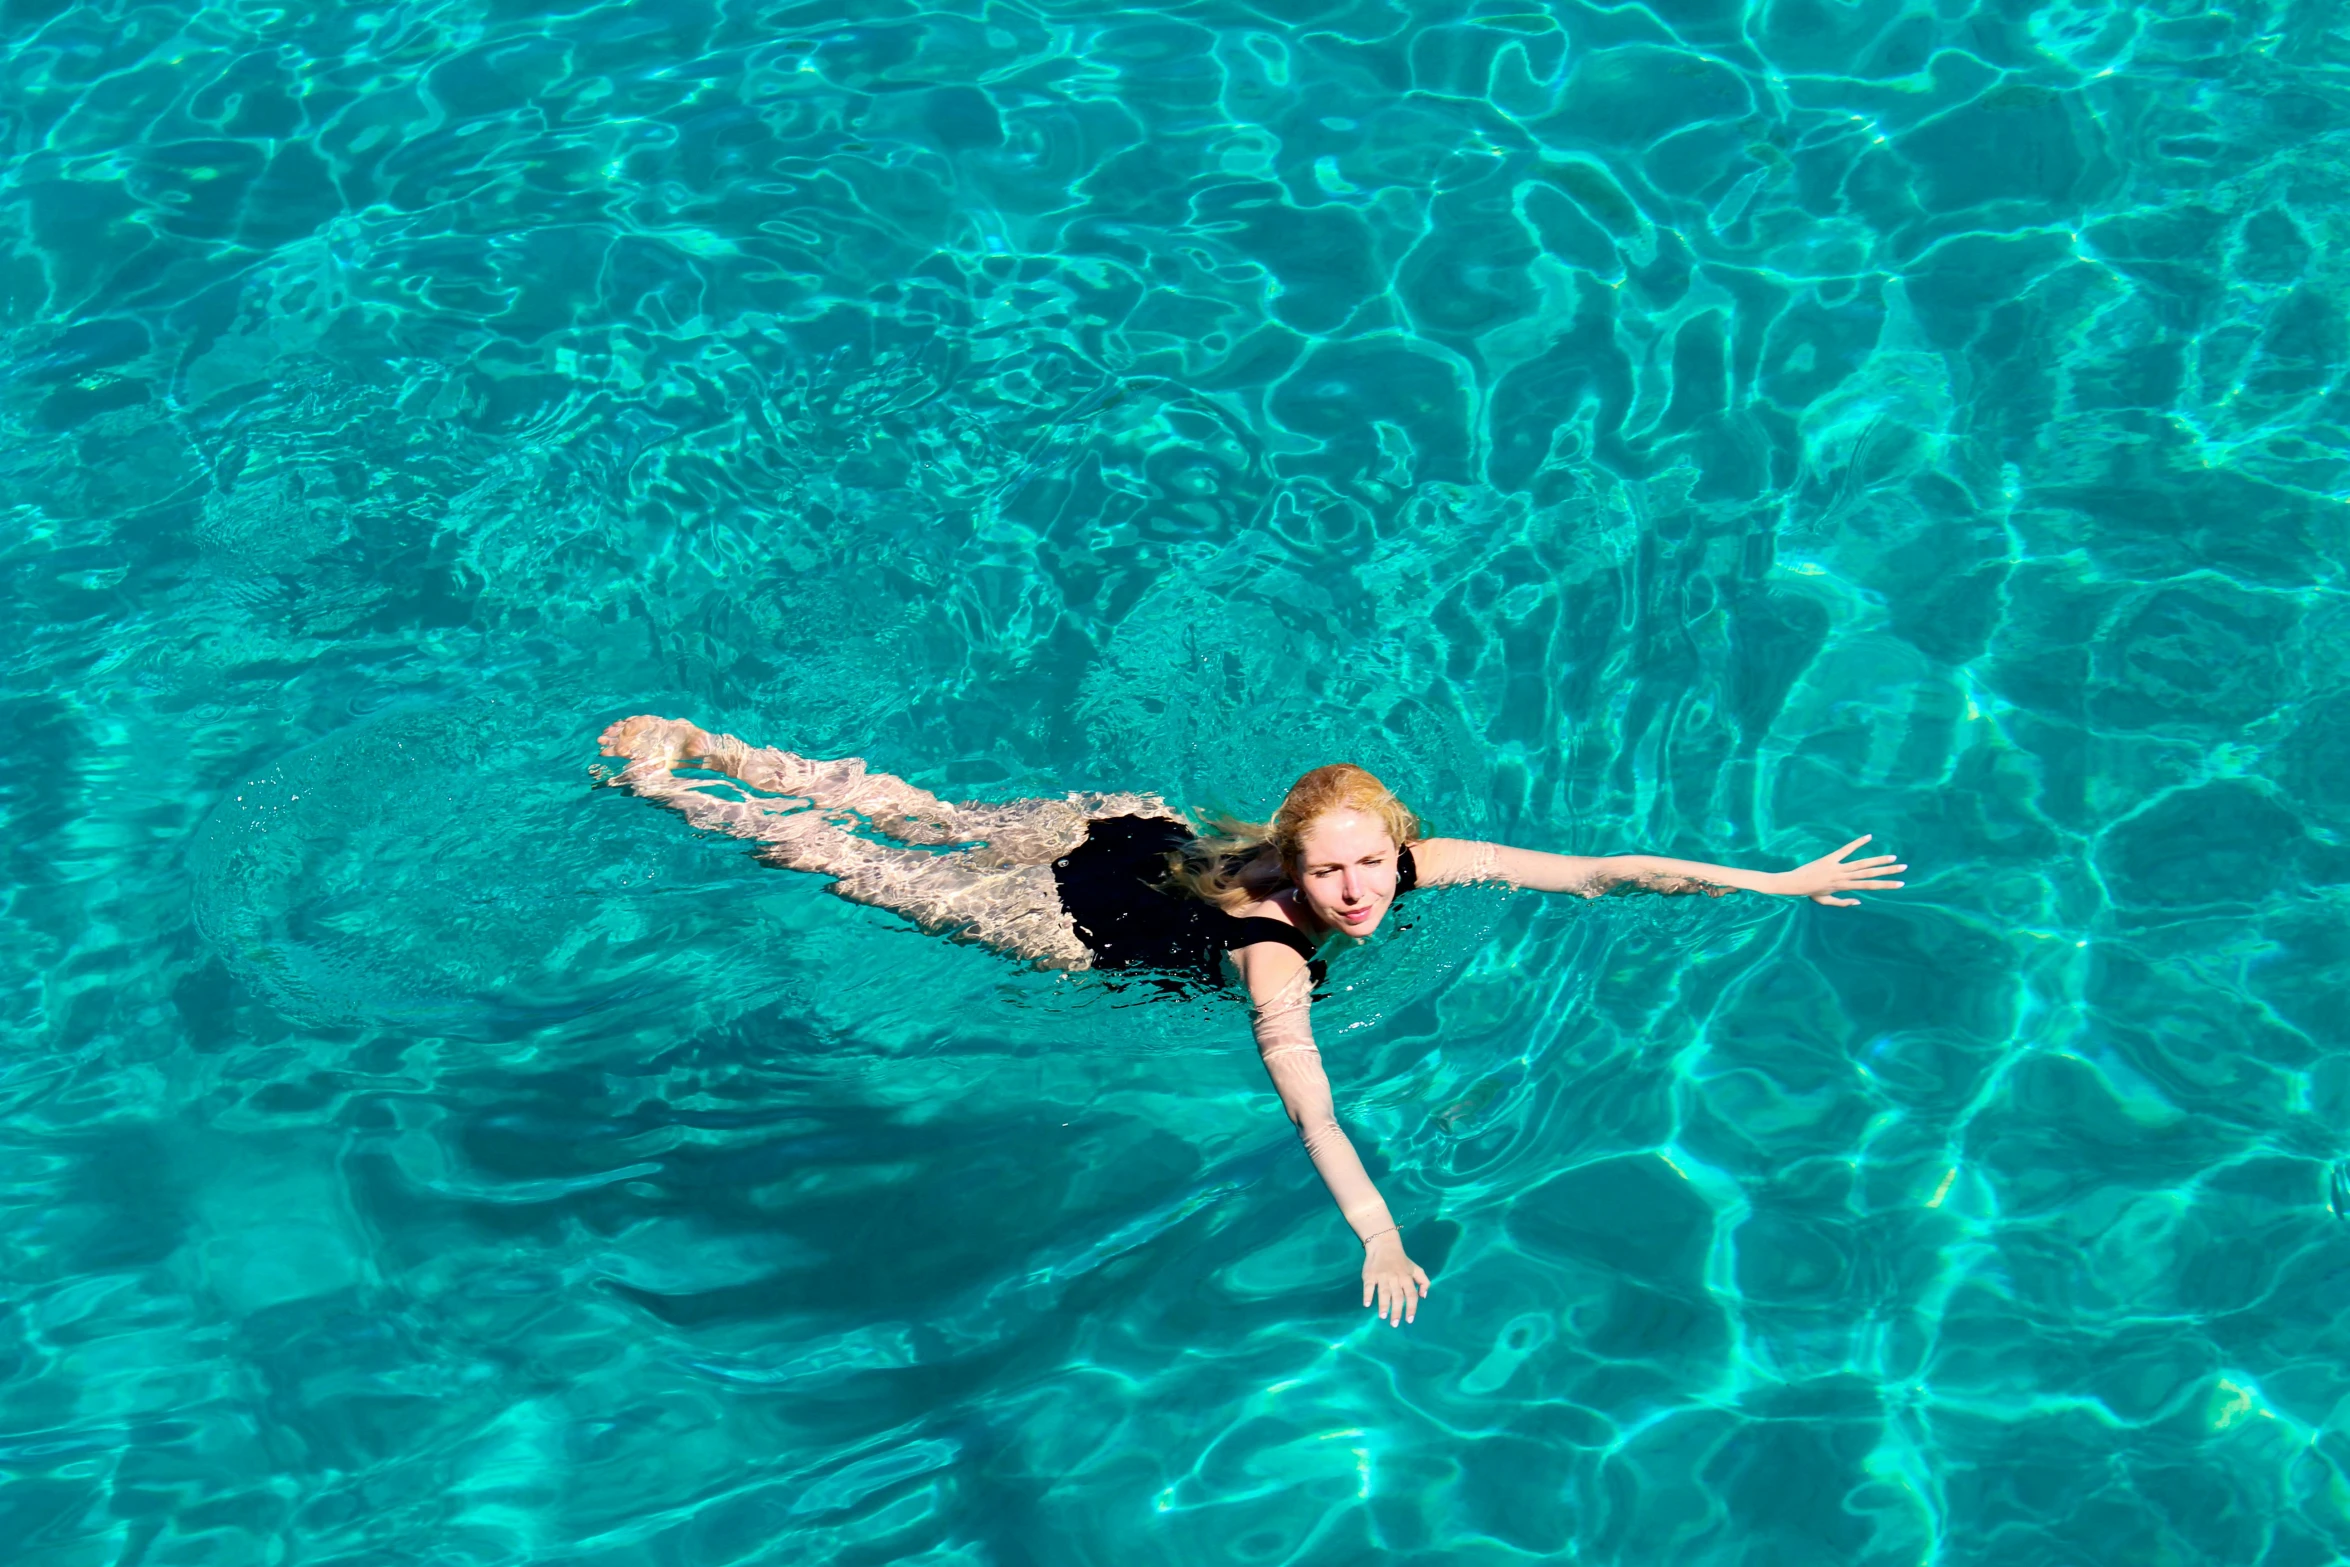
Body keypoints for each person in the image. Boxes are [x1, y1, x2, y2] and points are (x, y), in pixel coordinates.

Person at [595, 716, 1908, 1327]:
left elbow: (1597, 870)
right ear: (1293, 856)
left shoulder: (1415, 861)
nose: (1356, 894)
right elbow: (1308, 1096)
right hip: (1072, 914)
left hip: (1122, 822)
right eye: (1332, 874)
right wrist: (1380, 1226)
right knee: (851, 862)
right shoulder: (1275, 958)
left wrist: (1772, 878)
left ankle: (711, 740)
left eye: (1372, 869)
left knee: (920, 807)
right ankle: (684, 785)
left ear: (1399, 850)